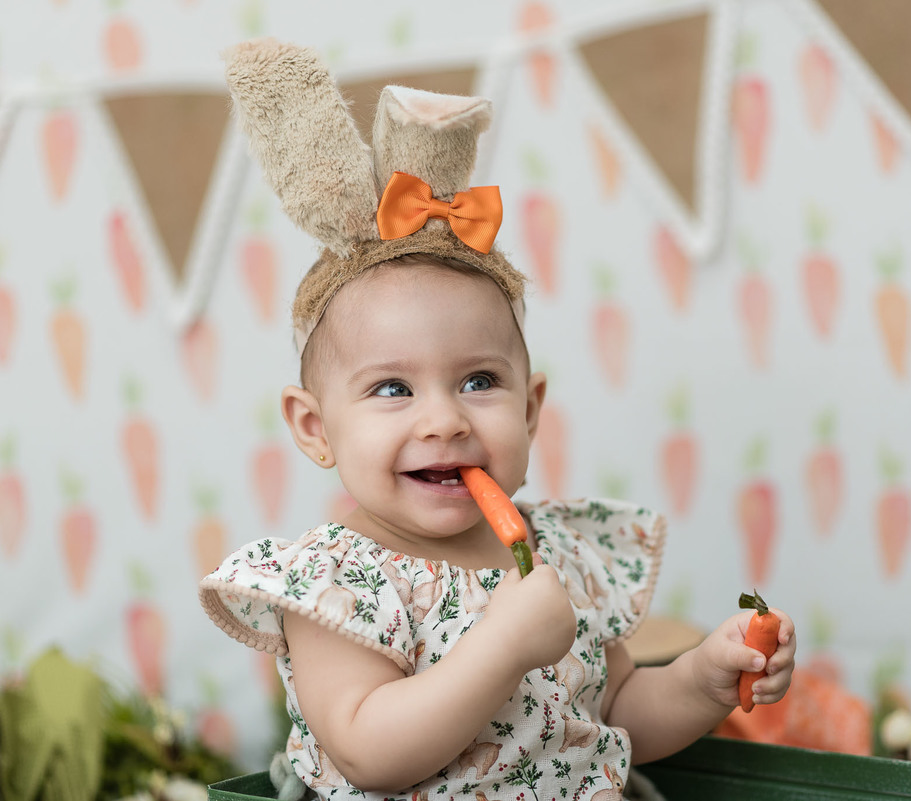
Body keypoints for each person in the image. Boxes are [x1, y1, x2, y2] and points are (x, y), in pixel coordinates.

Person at [199, 39, 795, 801]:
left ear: (531, 408)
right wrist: (503, 644)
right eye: (391, 389)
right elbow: (370, 748)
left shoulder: (558, 555)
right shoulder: (339, 583)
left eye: (479, 380)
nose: (443, 419)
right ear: (314, 427)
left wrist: (707, 677)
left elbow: (612, 718)